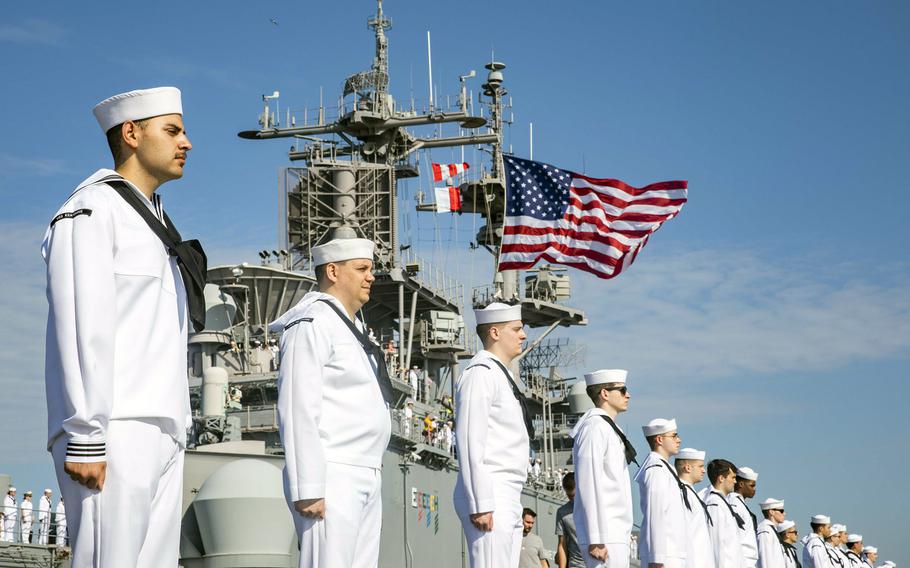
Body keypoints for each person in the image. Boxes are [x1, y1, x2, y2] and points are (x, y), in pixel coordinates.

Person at [43, 86, 204, 567]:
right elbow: (80, 324)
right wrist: (87, 435)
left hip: (163, 426)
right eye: (172, 130)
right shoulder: (92, 210)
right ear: (131, 134)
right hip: (115, 428)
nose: (187, 142)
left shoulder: (155, 223)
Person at [270, 236, 392, 568]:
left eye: (371, 269)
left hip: (366, 469)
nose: (371, 276)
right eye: (362, 269)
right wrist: (308, 485)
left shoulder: (351, 327)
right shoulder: (312, 322)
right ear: (333, 271)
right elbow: (298, 407)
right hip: (333, 472)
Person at [454, 302, 532, 568]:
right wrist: (481, 501)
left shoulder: (499, 375)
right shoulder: (481, 373)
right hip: (491, 490)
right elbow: (469, 439)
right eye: (517, 329)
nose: (523, 335)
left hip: (507, 492)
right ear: (495, 332)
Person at [571, 369, 634, 568]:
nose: (628, 395)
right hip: (605, 534)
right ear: (605, 394)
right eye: (622, 390)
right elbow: (589, 482)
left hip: (614, 531)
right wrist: (595, 537)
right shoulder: (595, 428)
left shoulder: (608, 428)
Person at [635, 418, 687, 568]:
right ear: (659, 439)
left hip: (672, 553)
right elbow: (655, 514)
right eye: (674, 436)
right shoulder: (656, 470)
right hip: (664, 557)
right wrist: (656, 558)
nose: (679, 440)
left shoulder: (665, 468)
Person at [699, 459, 746, 568]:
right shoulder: (714, 504)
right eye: (733, 478)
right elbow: (716, 543)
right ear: (721, 478)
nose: (735, 482)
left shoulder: (722, 502)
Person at [674, 448, 716, 568]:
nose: (703, 471)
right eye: (700, 466)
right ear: (687, 468)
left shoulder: (690, 493)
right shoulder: (681, 493)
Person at [728, 467, 760, 568]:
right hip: (741, 562)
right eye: (752, 485)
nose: (754, 489)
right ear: (741, 484)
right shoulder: (734, 503)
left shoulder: (740, 504)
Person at [555, 472, 585, 568]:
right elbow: (562, 544)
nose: (571, 499)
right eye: (569, 496)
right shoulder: (562, 512)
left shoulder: (594, 507)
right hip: (576, 564)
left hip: (598, 562)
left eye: (574, 495)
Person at [757, 498, 787, 568]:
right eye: (781, 511)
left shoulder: (772, 530)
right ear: (771, 512)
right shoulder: (765, 530)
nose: (784, 513)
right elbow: (765, 560)